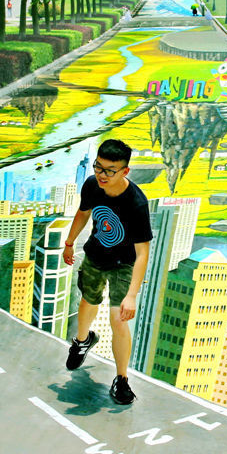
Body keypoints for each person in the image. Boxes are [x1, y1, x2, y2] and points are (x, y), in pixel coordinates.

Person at [62, 139, 152, 405]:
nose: (101, 175)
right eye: (98, 167)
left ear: (125, 171)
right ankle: (82, 341)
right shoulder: (92, 184)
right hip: (95, 256)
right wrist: (69, 244)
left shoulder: (136, 203)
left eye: (109, 170)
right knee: (88, 301)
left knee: (119, 319)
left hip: (124, 265)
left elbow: (142, 252)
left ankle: (122, 380)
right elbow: (83, 213)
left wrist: (132, 294)